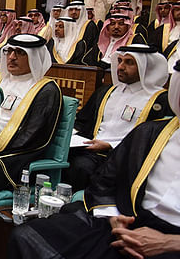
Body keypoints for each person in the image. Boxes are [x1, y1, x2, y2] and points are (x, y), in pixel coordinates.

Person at [5, 60, 180, 259]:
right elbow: (106, 183)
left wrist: (169, 242)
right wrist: (114, 220)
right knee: (27, 237)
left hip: (174, 242)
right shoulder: (151, 133)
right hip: (127, 221)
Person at [66, 44, 171, 190]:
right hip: (90, 149)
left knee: (82, 167)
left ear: (145, 67)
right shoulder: (106, 92)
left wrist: (110, 145)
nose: (120, 67)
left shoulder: (160, 100)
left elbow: (155, 140)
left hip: (125, 158)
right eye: (120, 61)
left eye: (129, 62)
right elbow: (82, 122)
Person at [0, 34, 62, 194]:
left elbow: (32, 136)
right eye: (9, 51)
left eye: (20, 52)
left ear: (34, 57)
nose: (11, 57)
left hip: (14, 155)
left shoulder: (46, 90)